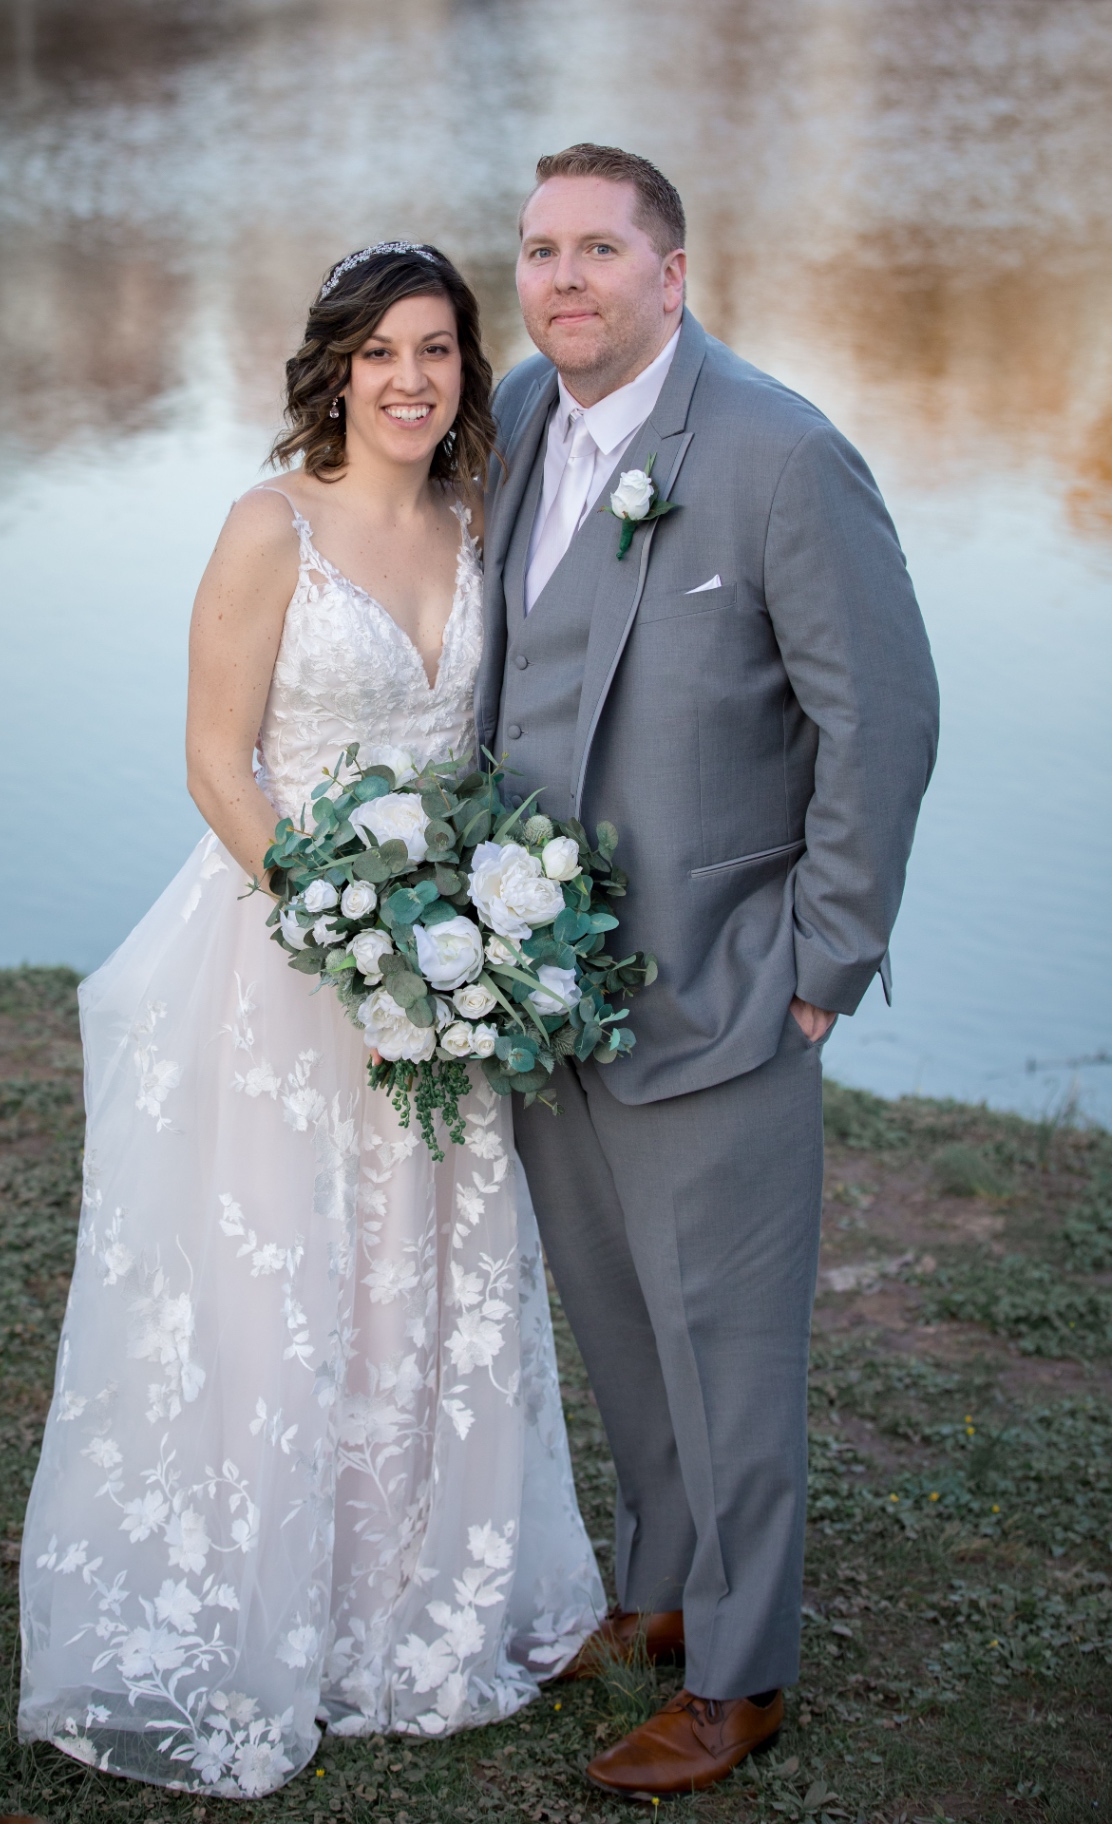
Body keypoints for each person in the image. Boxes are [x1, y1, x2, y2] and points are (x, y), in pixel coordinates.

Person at [18, 242, 604, 1800]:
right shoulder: (266, 527)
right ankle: (265, 1612)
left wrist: (456, 938)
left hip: (449, 965)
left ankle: (418, 1607)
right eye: (380, 353)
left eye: (438, 350)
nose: (412, 379)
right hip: (295, 950)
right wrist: (348, 923)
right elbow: (219, 766)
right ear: (333, 370)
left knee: (429, 1273)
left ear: (468, 369)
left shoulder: (480, 518)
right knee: (285, 1279)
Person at [477, 145, 940, 1798]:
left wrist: (822, 963)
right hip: (542, 995)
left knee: (729, 1353)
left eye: (600, 250)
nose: (565, 281)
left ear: (673, 272)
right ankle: (663, 1595)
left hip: (727, 993)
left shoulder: (780, 454)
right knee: (617, 1322)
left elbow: (878, 720)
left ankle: (741, 1681)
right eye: (540, 252)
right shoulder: (522, 417)